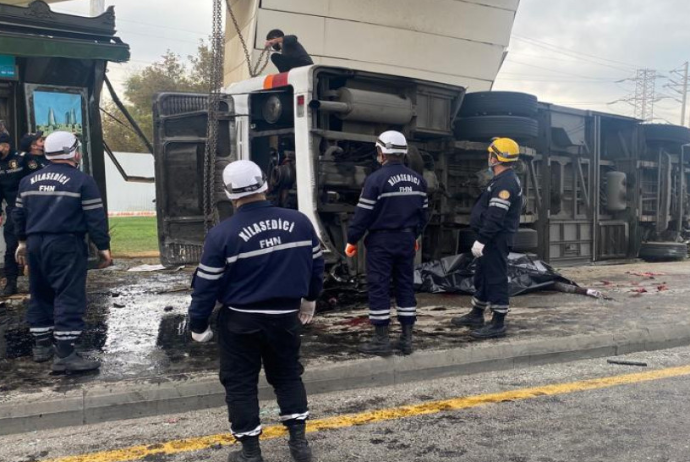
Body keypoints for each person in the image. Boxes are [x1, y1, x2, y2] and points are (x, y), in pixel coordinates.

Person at [188, 160, 324, 462]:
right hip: (286, 318)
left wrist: (198, 324)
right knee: (288, 375)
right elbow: (316, 267)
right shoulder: (300, 222)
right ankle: (299, 445)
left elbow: (206, 287)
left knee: (240, 384)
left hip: (240, 320)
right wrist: (310, 299)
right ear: (265, 184)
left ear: (229, 193)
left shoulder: (222, 235)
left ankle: (251, 453)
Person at [13, 131, 112, 371]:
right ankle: (66, 354)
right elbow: (95, 217)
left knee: (40, 291)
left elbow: (18, 215)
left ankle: (41, 346)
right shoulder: (82, 181)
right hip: (65, 244)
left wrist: (22, 243)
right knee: (68, 294)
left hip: (35, 244)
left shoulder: (28, 181)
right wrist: (103, 248)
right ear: (72, 152)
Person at [345, 131, 429, 356]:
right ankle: (406, 339)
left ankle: (381, 340)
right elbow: (424, 215)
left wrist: (352, 239)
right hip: (406, 239)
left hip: (382, 240)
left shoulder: (376, 180)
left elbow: (363, 214)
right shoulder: (419, 180)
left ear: (381, 152)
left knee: (379, 285)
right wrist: (414, 236)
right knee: (404, 285)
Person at [451, 137, 522, 339]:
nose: (488, 158)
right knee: (482, 275)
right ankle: (476, 314)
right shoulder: (502, 178)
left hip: (495, 239)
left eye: (490, 154)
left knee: (495, 278)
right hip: (492, 238)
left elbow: (495, 215)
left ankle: (498, 322)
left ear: (496, 158)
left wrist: (482, 239)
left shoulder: (506, 182)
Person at [0, 132, 27, 296]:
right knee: (11, 247)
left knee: (36, 245)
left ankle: (40, 283)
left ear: (6, 145)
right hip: (12, 210)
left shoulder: (22, 159)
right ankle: (11, 283)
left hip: (31, 208)